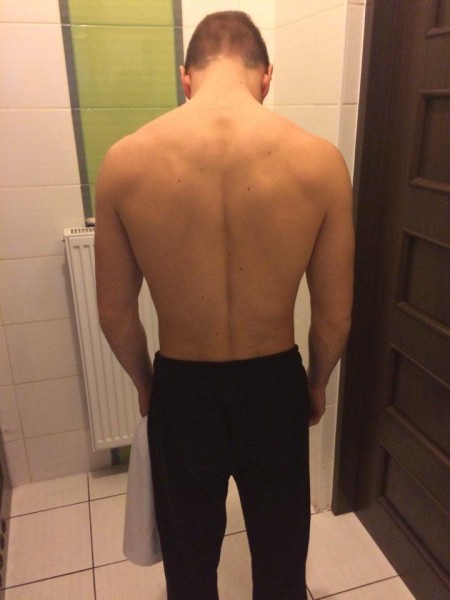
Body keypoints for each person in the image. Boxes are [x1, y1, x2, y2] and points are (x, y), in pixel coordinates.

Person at [95, 10, 354, 600]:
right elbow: (335, 317)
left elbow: (115, 315)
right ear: (267, 76)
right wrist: (315, 385)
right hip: (274, 387)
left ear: (186, 77)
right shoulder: (321, 162)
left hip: (182, 389)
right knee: (282, 565)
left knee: (189, 570)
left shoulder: (124, 163)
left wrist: (146, 386)